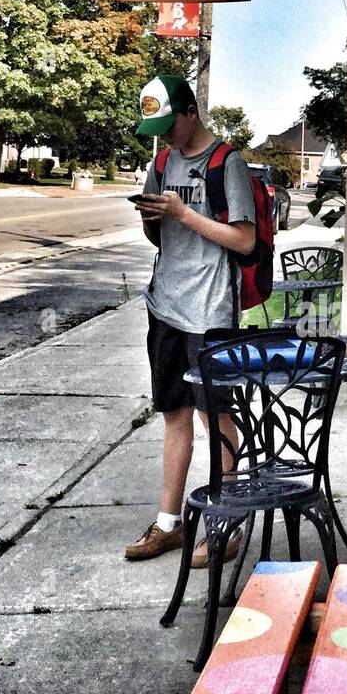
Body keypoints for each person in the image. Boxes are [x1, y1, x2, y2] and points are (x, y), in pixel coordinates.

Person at [124, 73, 256, 564]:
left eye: (169, 125)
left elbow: (244, 241)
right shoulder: (161, 162)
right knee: (174, 413)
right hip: (166, 307)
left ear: (190, 113)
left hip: (210, 311)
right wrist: (152, 219)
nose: (164, 137)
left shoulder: (227, 163)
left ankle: (227, 524)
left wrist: (183, 214)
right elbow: (163, 241)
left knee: (215, 414)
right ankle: (168, 524)